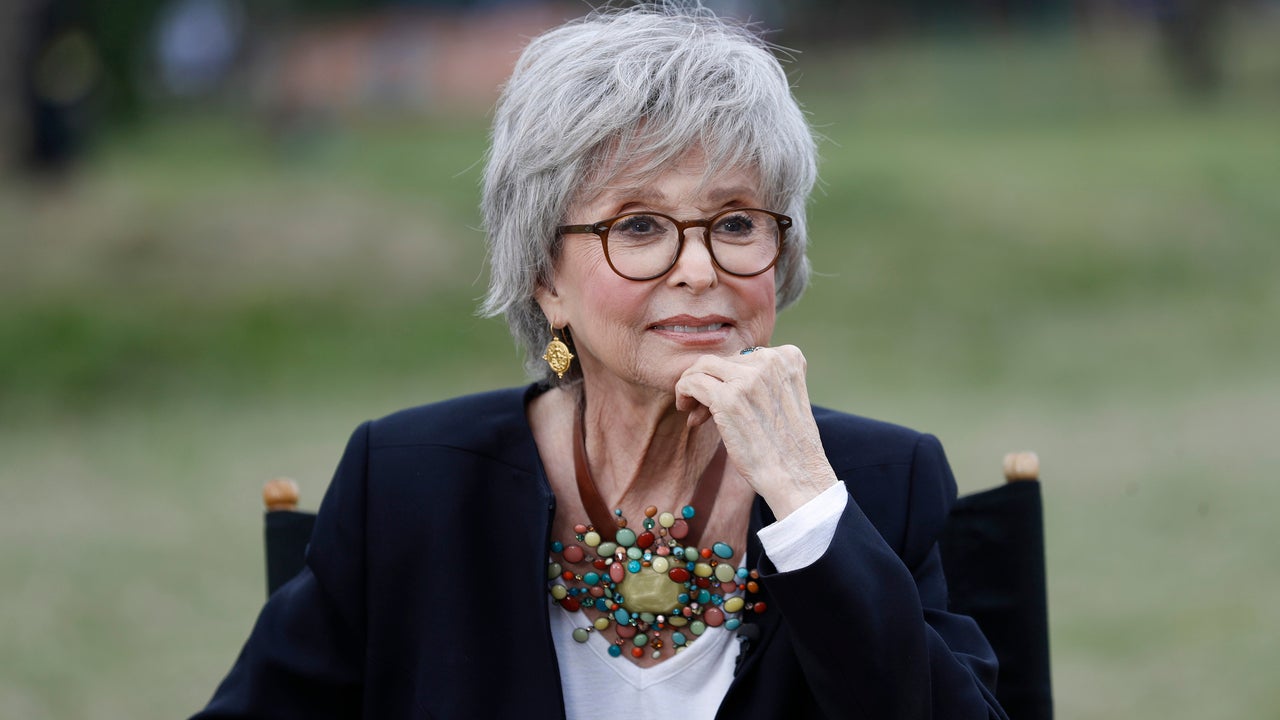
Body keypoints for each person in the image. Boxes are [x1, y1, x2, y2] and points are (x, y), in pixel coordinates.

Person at [193, 5, 1006, 719]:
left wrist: (806, 504)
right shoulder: (408, 485)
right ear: (545, 277)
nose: (700, 269)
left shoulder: (879, 484)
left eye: (736, 223)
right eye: (639, 226)